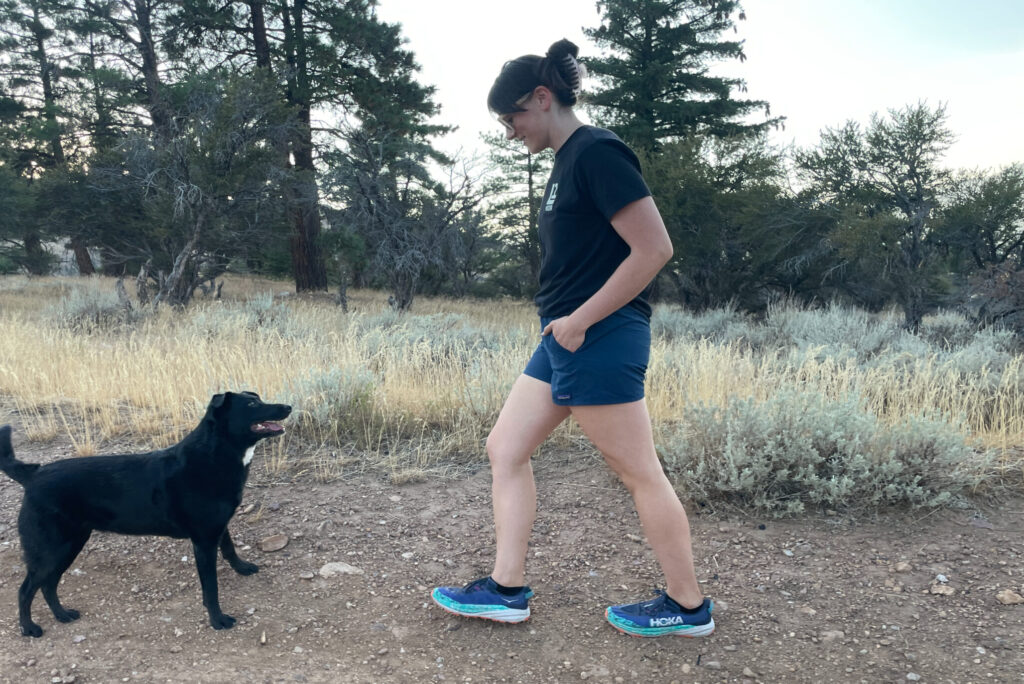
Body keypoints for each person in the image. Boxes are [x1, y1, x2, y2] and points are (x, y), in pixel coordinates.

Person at [430, 38, 714, 638]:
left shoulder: (597, 154)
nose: (510, 132)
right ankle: (506, 590)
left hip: (601, 335)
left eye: (513, 118)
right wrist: (568, 324)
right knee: (505, 449)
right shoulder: (565, 162)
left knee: (639, 471)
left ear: (542, 97)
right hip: (564, 337)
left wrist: (582, 319)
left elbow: (655, 249)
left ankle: (688, 607)